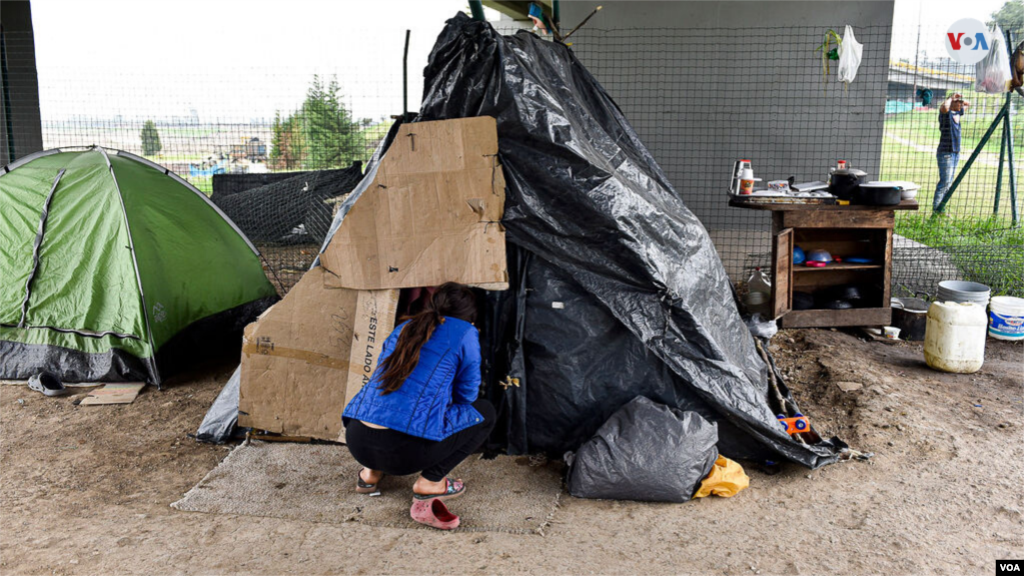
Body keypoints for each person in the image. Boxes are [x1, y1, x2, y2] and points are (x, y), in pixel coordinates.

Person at [342, 282, 495, 502]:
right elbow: (466, 396)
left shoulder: (405, 326)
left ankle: (369, 474)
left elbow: (382, 375)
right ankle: (431, 482)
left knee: (385, 403)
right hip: (404, 454)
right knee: (485, 412)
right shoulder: (465, 332)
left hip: (357, 440)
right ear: (471, 314)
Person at [933, 92, 969, 214]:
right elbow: (943, 107)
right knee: (944, 183)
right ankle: (936, 210)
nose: (960, 104)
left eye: (960, 102)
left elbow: (968, 104)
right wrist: (950, 98)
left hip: (955, 153)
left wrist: (960, 100)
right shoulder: (945, 114)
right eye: (958, 102)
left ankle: (941, 210)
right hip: (946, 153)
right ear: (951, 103)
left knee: (948, 184)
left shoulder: (957, 113)